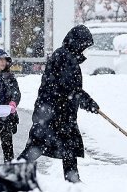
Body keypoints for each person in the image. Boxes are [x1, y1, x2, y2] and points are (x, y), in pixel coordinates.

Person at [17, 25, 100, 183]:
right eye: (84, 46)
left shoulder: (65, 56)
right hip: (53, 114)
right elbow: (70, 89)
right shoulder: (65, 58)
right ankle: (12, 172)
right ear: (78, 43)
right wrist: (88, 102)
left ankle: (72, 180)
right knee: (38, 147)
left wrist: (85, 101)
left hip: (57, 113)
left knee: (67, 146)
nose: (85, 50)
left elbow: (69, 90)